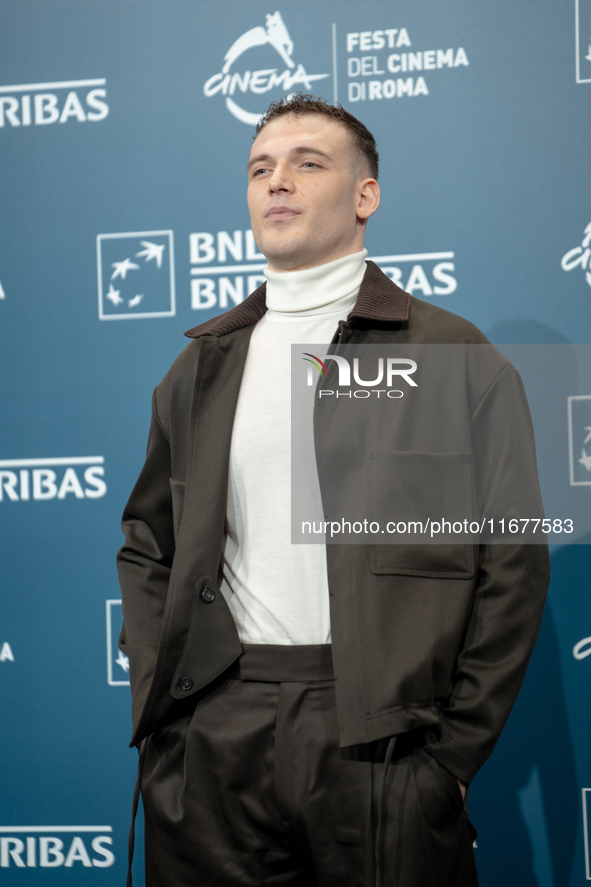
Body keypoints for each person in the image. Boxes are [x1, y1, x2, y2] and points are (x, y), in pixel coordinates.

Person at [117, 95, 550, 887]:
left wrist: (451, 754)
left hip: (383, 741)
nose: (276, 181)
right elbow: (148, 543)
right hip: (215, 732)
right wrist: (163, 710)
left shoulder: (454, 353)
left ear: (364, 196)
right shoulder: (199, 365)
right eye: (260, 168)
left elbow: (513, 563)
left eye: (307, 163)